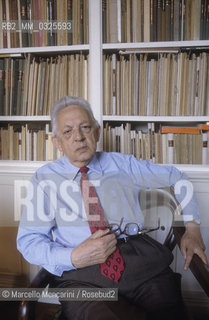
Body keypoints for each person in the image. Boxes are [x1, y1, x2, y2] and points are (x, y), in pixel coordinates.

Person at [17, 96, 208, 320]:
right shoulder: (44, 180)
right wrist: (72, 257)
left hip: (140, 262)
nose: (78, 137)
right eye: (67, 132)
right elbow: (28, 241)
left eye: (85, 127)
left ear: (97, 132)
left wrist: (192, 227)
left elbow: (178, 178)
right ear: (57, 142)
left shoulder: (123, 164)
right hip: (81, 275)